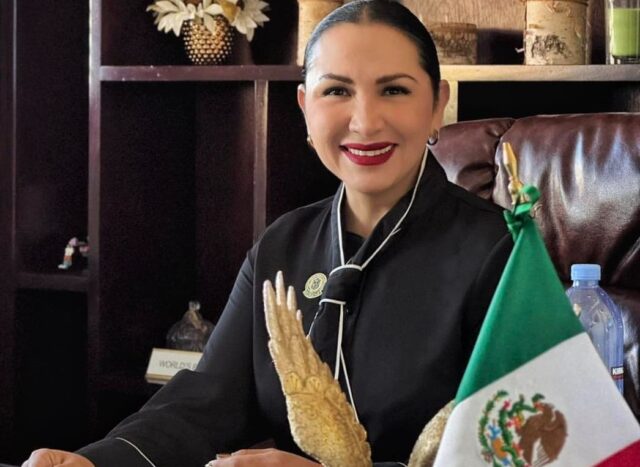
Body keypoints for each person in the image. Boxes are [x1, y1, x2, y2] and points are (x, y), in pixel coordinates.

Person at [23, 1, 512, 466]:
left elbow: (519, 450)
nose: (365, 121)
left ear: (437, 105)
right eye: (336, 91)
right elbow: (205, 403)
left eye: (394, 90)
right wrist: (96, 460)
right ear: (304, 106)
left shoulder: (501, 255)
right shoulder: (283, 246)